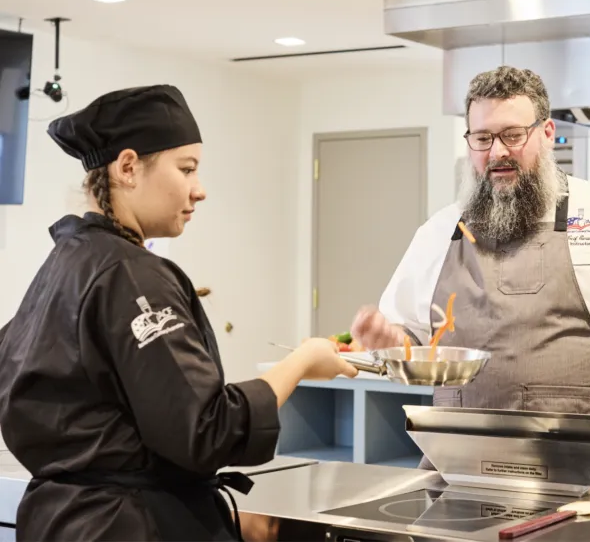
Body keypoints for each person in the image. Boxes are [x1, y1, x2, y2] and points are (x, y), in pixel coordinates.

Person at [0, 85, 358, 542]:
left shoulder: (66, 262)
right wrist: (303, 361)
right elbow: (206, 430)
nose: (199, 190)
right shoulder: (132, 274)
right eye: (186, 169)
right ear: (128, 167)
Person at [351, 66, 590, 491]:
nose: (497, 151)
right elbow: (412, 344)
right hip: (461, 476)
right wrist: (390, 343)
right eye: (483, 138)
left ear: (547, 133)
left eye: (512, 135)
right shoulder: (438, 233)